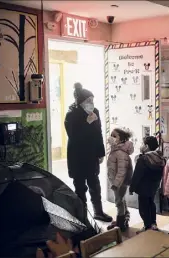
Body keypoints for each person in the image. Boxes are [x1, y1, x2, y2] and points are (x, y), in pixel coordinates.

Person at [64, 83, 112, 222]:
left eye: (92, 100)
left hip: (91, 155)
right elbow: (73, 135)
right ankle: (82, 216)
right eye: (88, 101)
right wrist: (87, 123)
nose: (91, 103)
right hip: (77, 156)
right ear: (80, 102)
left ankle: (98, 212)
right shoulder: (71, 114)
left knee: (95, 185)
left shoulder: (95, 112)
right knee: (80, 187)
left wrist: (101, 152)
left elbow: (99, 133)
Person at [129, 136, 165, 233]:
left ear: (146, 146)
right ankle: (153, 223)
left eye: (142, 144)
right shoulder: (160, 157)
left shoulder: (143, 159)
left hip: (143, 187)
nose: (141, 146)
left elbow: (137, 175)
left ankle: (147, 225)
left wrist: (132, 187)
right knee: (151, 204)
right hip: (154, 186)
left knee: (143, 207)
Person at [106, 128, 134, 231]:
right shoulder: (116, 150)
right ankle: (124, 218)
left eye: (114, 136)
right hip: (118, 182)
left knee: (118, 202)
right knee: (121, 200)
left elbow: (122, 171)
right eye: (111, 135)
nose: (111, 138)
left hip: (120, 183)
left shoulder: (121, 153)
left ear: (121, 139)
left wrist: (116, 184)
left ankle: (120, 223)